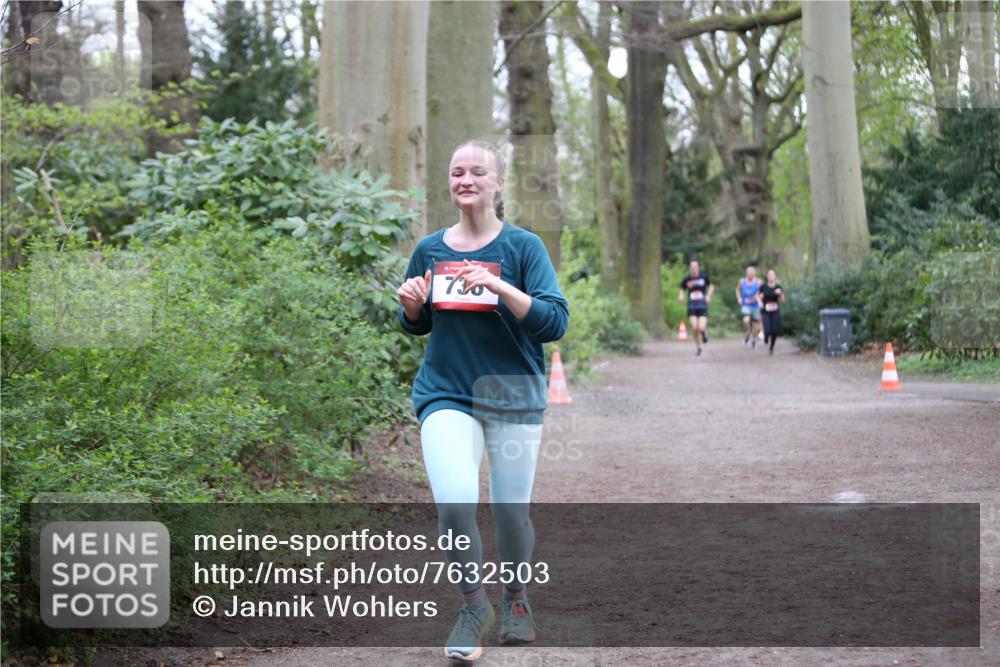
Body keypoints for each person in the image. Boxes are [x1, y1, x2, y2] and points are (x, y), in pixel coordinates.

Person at [396, 139, 568, 664]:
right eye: (456, 173)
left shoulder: (523, 248)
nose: (465, 180)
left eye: (476, 172)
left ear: (498, 183)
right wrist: (410, 307)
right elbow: (421, 323)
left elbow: (554, 321)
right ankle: (474, 606)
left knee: (510, 513)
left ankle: (515, 601)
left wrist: (501, 289)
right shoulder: (430, 248)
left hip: (512, 392)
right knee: (453, 504)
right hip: (447, 392)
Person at [677, 260, 714, 356]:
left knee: (701, 327)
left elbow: (711, 286)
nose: (693, 268)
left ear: (698, 267)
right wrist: (681, 295)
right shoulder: (687, 279)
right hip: (692, 305)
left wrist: (708, 295)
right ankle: (699, 348)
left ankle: (704, 332)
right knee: (694, 327)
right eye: (691, 267)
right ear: (690, 268)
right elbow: (682, 289)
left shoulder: (703, 277)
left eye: (695, 266)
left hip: (702, 304)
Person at [757, 269, 786, 356]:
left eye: (772, 275)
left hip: (775, 311)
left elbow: (783, 301)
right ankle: (765, 337)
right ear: (767, 277)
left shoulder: (778, 287)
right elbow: (757, 296)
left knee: (774, 331)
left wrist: (780, 294)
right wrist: (760, 302)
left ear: (775, 276)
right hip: (765, 311)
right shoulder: (763, 286)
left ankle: (771, 347)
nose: (771, 276)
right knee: (767, 329)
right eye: (769, 275)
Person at [736, 264, 762, 350]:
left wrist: (758, 299)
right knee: (746, 320)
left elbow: (762, 293)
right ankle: (747, 332)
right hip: (746, 305)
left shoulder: (758, 282)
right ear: (746, 273)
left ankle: (754, 339)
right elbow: (737, 290)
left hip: (755, 306)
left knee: (755, 325)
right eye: (748, 272)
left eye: (751, 272)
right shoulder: (742, 281)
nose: (749, 274)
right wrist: (739, 298)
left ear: (754, 272)